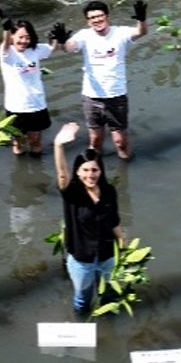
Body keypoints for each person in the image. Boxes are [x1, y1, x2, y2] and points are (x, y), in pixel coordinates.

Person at [62, 0, 147, 160]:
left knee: (120, 141)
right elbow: (70, 47)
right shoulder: (84, 35)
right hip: (91, 97)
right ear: (88, 21)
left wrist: (141, 19)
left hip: (116, 96)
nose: (97, 20)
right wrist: (62, 41)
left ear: (107, 16)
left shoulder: (120, 33)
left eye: (100, 16)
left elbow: (141, 32)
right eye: (92, 18)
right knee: (95, 140)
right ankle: (94, 168)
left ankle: (126, 167)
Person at [53, 123, 122, 313]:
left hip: (107, 255)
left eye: (94, 170)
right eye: (85, 170)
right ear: (77, 171)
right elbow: (62, 175)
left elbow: (114, 220)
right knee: (83, 300)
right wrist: (58, 145)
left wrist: (123, 245)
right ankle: (83, 324)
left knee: (109, 296)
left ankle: (109, 326)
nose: (90, 175)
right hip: (82, 260)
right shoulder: (73, 193)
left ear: (101, 171)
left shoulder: (109, 191)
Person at [0, 19, 54, 155]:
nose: (24, 41)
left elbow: (51, 49)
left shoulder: (35, 49)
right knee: (18, 143)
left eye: (27, 37)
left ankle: (37, 164)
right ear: (12, 36)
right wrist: (6, 31)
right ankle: (19, 164)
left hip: (36, 104)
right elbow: (5, 45)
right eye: (20, 37)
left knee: (36, 140)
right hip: (16, 106)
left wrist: (56, 38)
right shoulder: (8, 52)